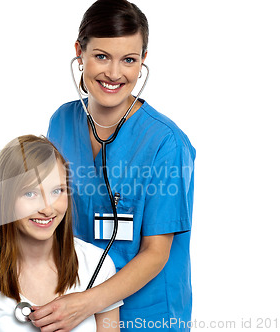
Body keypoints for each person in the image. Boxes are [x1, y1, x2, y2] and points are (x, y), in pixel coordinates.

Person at [30, 0, 196, 331]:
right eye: (101, 56)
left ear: (142, 62)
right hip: (74, 310)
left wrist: (84, 304)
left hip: (145, 317)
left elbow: (156, 253)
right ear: (80, 52)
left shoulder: (166, 144)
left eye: (129, 60)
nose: (114, 73)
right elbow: (51, 214)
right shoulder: (61, 122)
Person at [0, 135, 122, 332]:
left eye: (57, 191)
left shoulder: (98, 265)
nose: (48, 209)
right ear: (4, 198)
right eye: (30, 193)